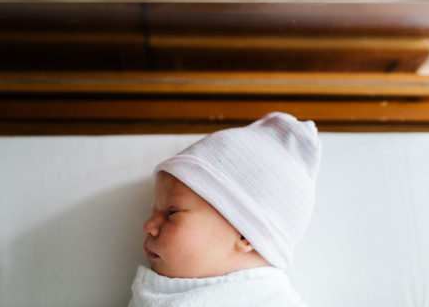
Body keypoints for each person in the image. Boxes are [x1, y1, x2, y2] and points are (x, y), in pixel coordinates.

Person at [128, 112, 322, 306]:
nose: (148, 225)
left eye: (172, 213)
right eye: (154, 212)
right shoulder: (152, 291)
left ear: (245, 235)